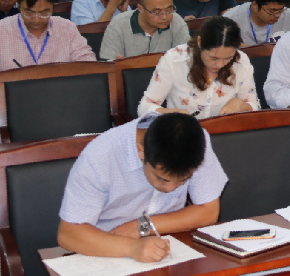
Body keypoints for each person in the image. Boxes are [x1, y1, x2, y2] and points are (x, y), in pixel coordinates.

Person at [56, 111, 227, 263]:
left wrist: (142, 226)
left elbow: (209, 211)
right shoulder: (99, 157)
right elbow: (69, 234)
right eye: (161, 178)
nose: (170, 189)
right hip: (105, 249)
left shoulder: (194, 142)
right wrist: (132, 248)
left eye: (183, 180)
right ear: (141, 152)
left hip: (169, 245)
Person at [0, 0, 97, 86]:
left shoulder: (67, 28)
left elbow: (88, 63)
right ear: (19, 6)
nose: (36, 19)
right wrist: (17, 78)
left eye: (44, 13)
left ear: (53, 7)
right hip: (16, 99)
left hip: (61, 95)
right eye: (29, 12)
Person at [137, 17, 259, 119]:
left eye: (228, 58)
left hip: (224, 133)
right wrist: (171, 114)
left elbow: (255, 107)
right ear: (200, 42)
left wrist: (240, 105)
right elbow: (144, 107)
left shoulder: (241, 62)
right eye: (214, 58)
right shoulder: (174, 60)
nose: (220, 65)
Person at [100, 0, 191, 61]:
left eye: (169, 10)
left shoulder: (177, 22)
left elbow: (187, 59)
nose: (164, 17)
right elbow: (108, 65)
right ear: (141, 8)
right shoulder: (118, 25)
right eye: (156, 12)